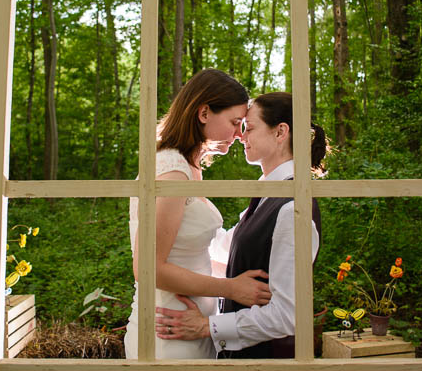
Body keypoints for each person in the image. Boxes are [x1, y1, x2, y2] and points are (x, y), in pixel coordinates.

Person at [154, 91, 328, 358]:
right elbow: (221, 249)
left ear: (280, 132)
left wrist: (206, 327)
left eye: (250, 128)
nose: (240, 137)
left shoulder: (293, 208)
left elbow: (287, 315)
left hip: (268, 360)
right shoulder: (267, 197)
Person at [124, 69, 273, 359]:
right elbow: (147, 267)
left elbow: (191, 256)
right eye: (234, 122)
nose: (239, 134)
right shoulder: (172, 171)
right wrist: (230, 288)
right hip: (167, 331)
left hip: (191, 326)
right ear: (204, 112)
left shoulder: (190, 167)